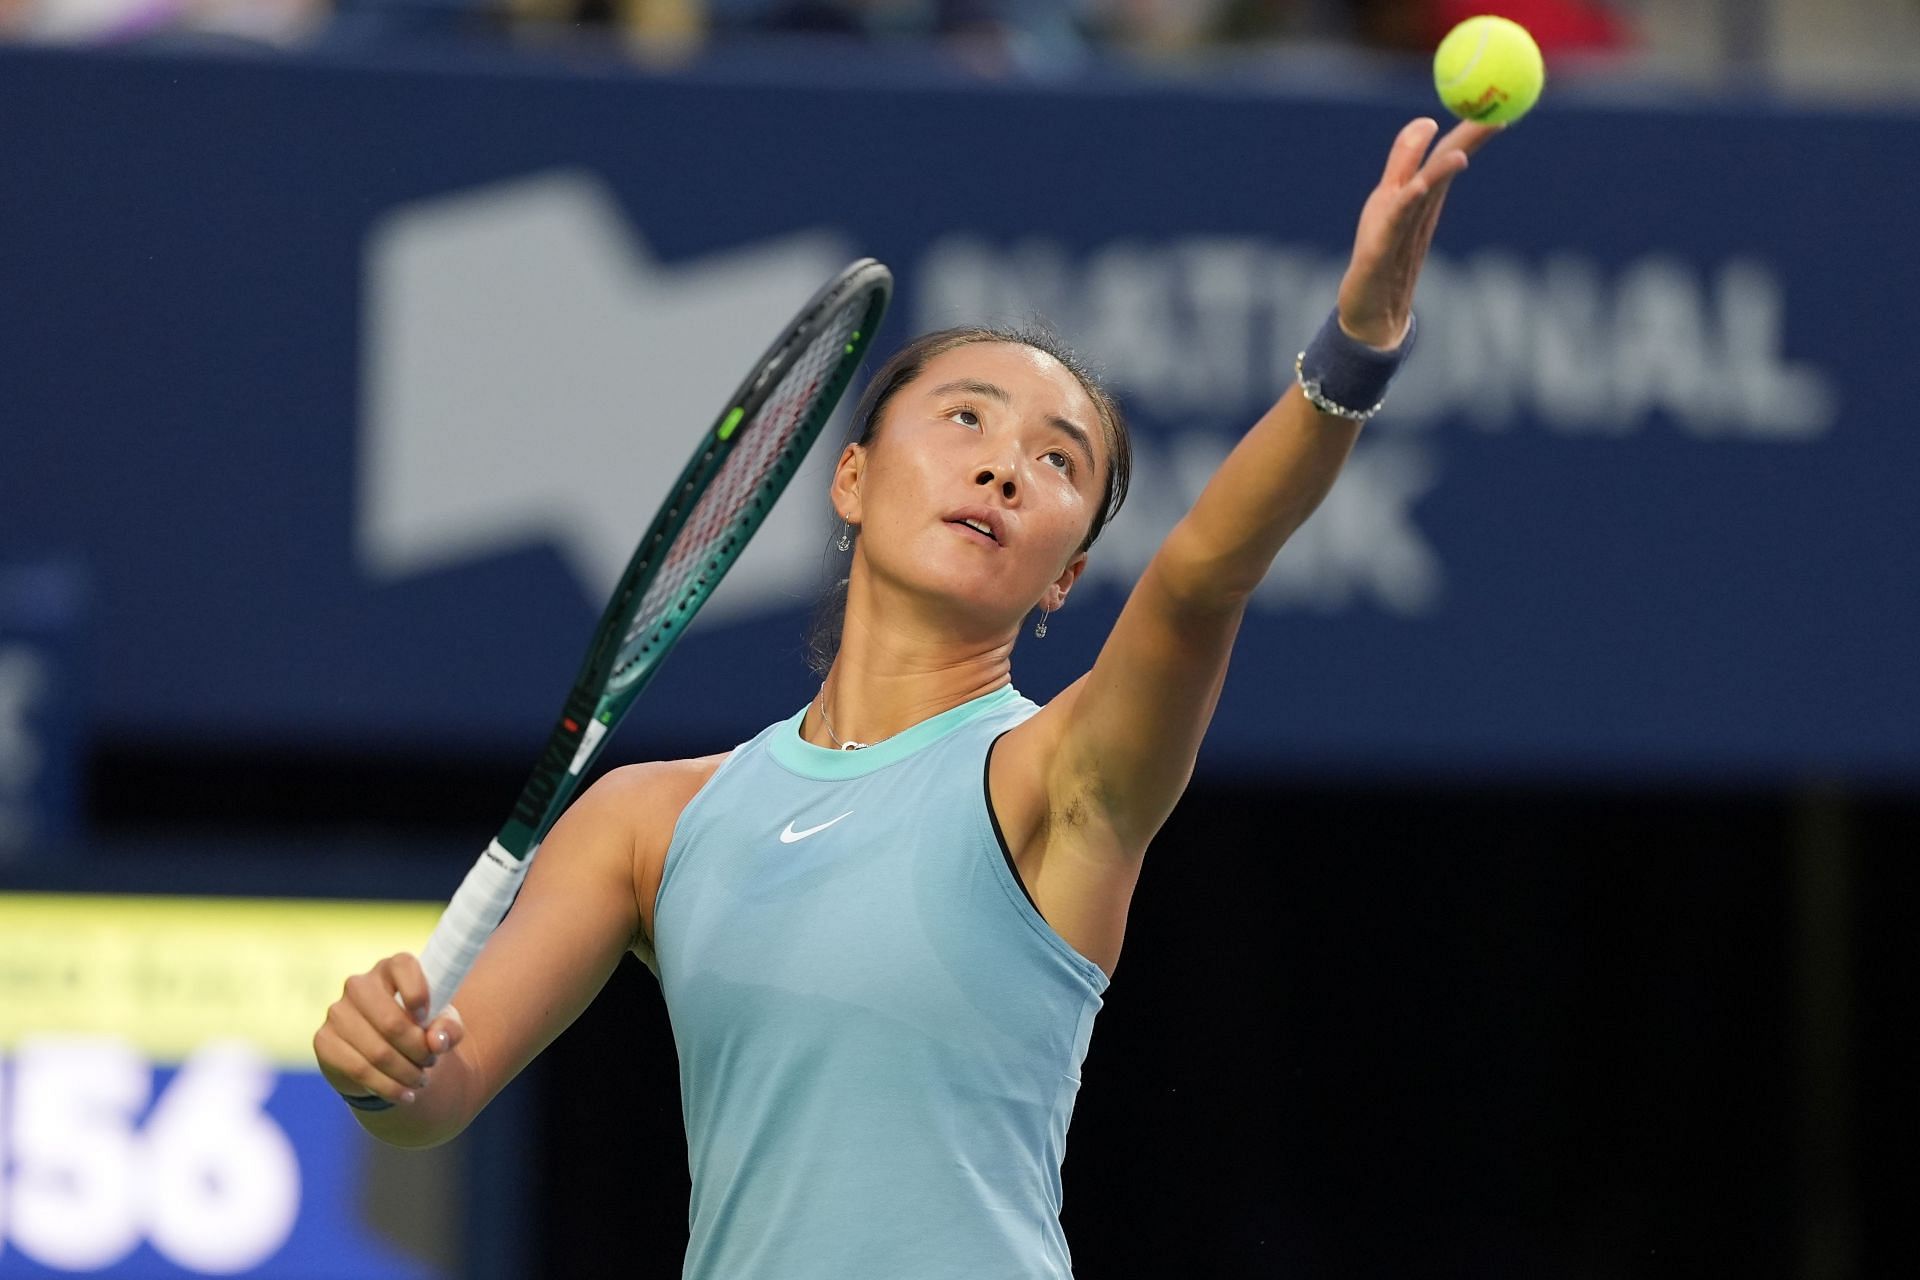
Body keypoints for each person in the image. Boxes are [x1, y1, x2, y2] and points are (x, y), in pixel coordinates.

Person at [314, 115, 1499, 1277]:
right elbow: (437, 1097)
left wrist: (1355, 347)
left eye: (1058, 460)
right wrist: (388, 1067)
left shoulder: (1061, 778)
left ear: (1066, 577)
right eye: (967, 417)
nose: (1002, 465)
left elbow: (1199, 578)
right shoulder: (649, 820)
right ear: (850, 476)